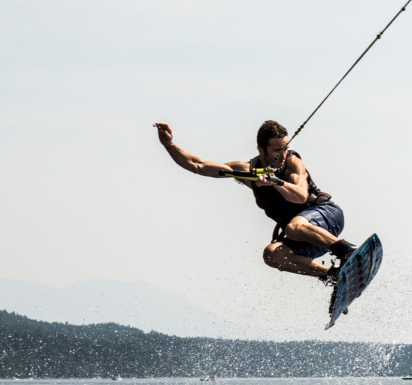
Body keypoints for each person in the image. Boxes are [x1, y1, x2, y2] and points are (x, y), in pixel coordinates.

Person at [153, 120, 357, 284]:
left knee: (294, 227)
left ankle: (349, 252)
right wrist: (169, 145)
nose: (282, 155)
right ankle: (334, 275)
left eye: (285, 148)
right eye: (277, 150)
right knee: (272, 255)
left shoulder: (292, 163)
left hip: (327, 217)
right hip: (308, 238)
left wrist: (275, 182)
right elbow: (198, 165)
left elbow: (300, 196)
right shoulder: (247, 171)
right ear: (261, 149)